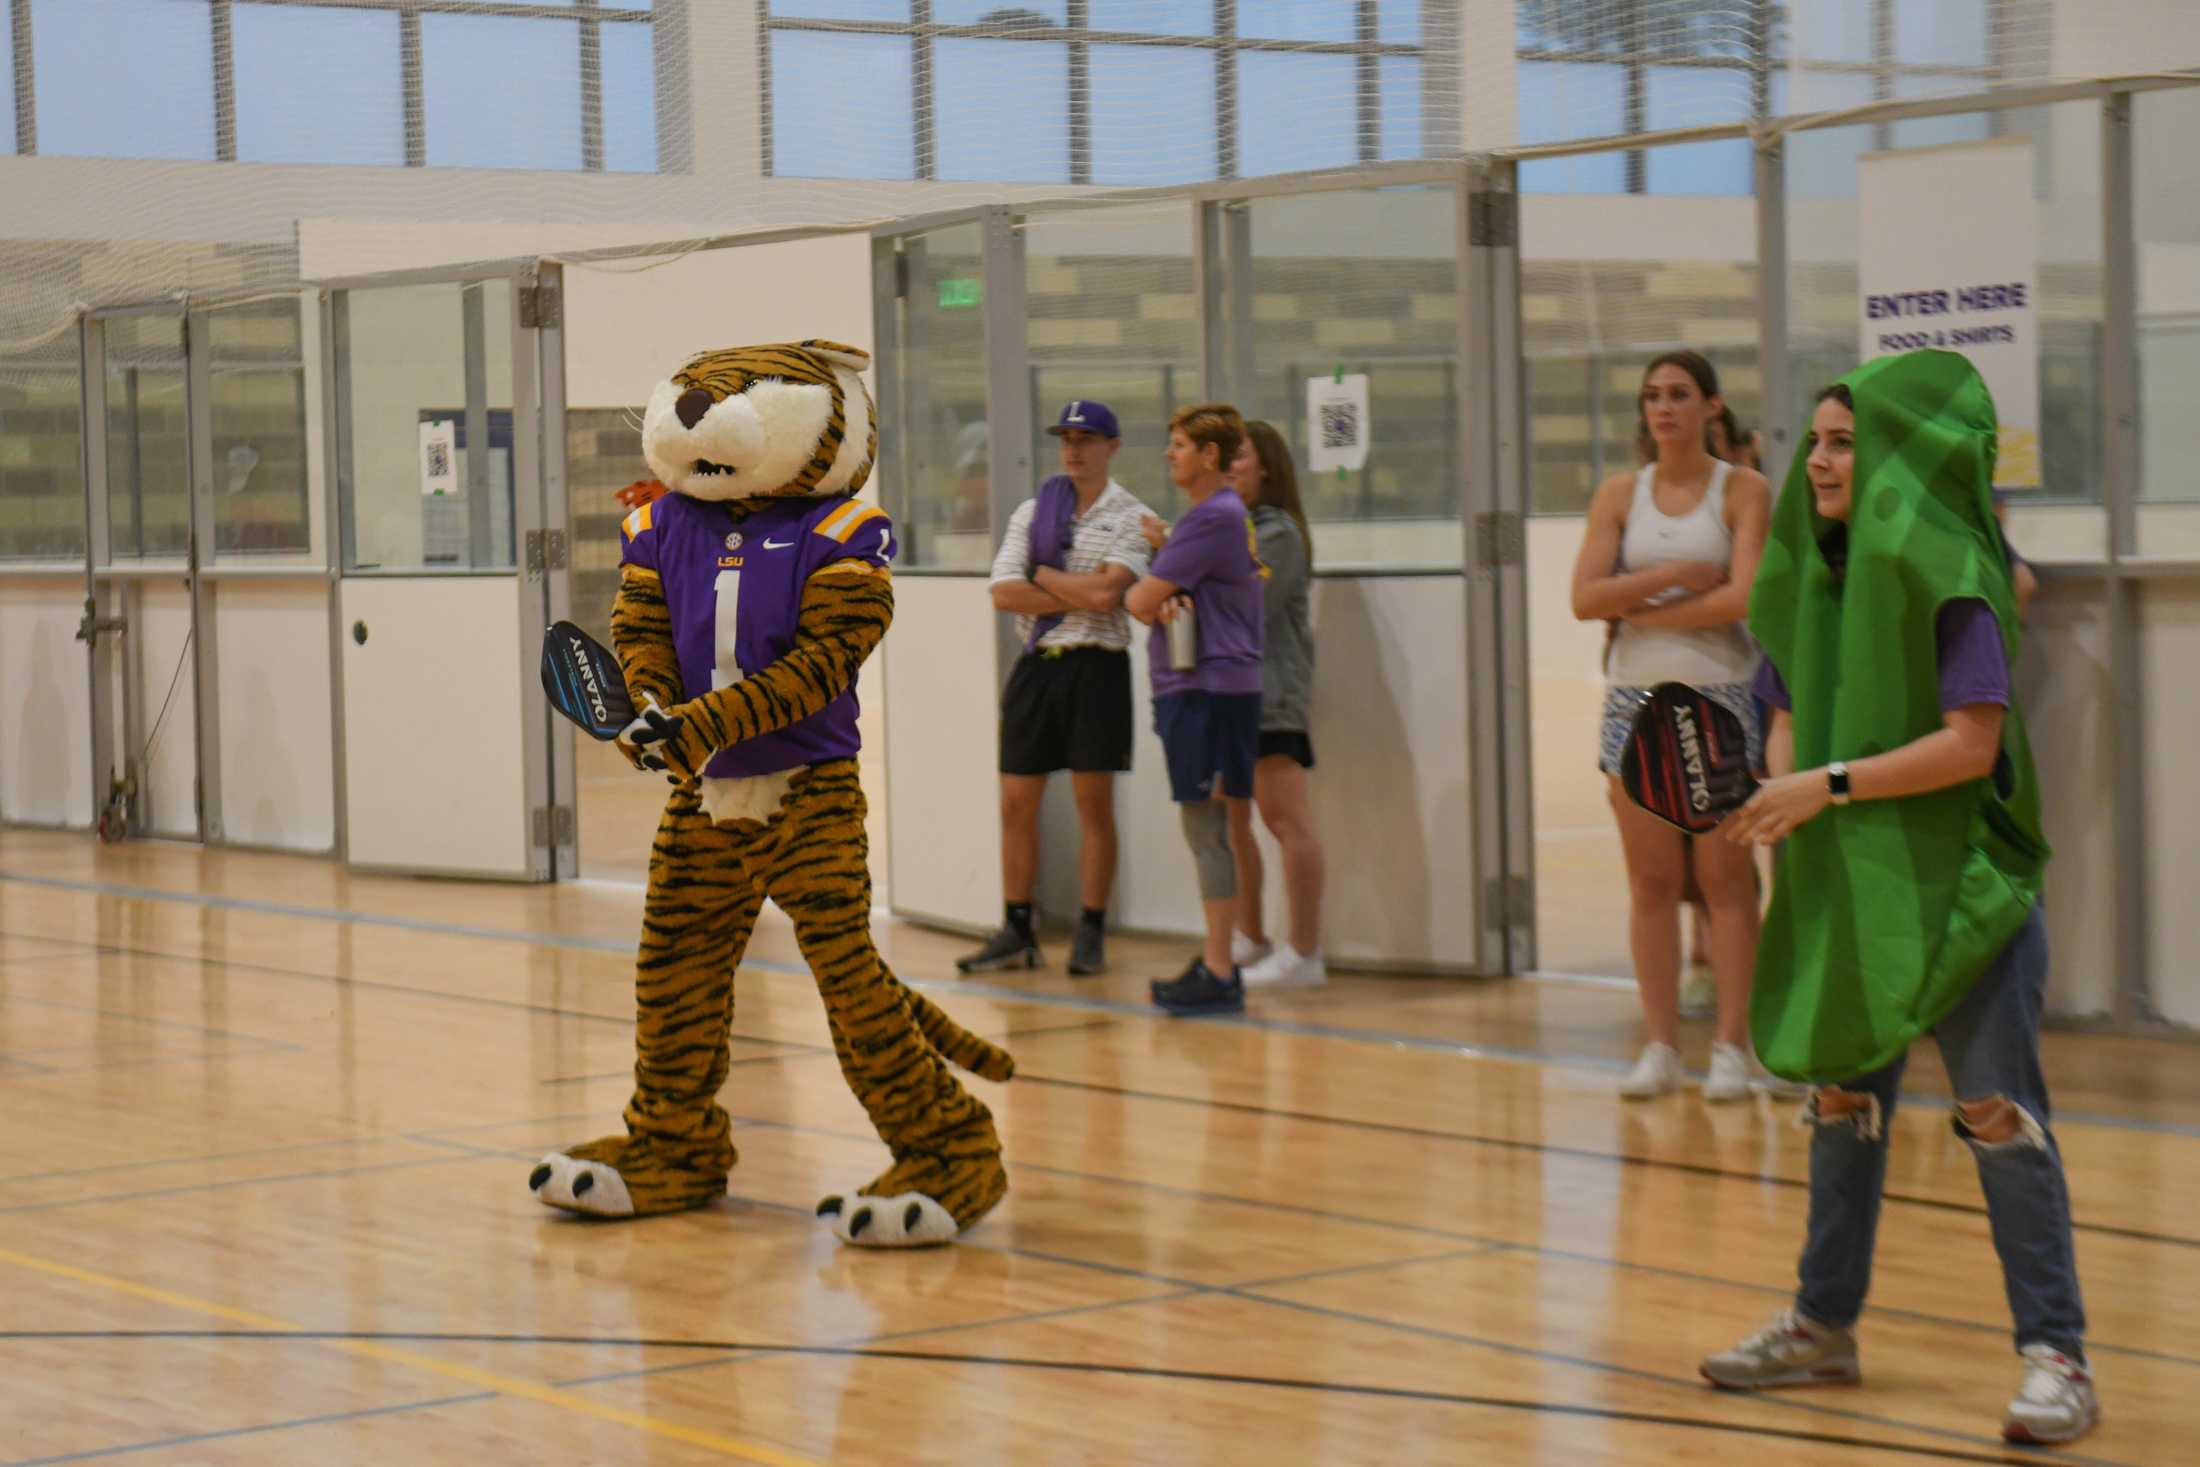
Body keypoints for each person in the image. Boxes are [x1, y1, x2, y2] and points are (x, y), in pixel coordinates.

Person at [1701, 356, 2095, 1447]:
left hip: (1961, 887)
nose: (1821, 461)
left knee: (1996, 1120)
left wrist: (1818, 788)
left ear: (1891, 461)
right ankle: (1822, 1327)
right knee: (1841, 1109)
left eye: (1844, 442)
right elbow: (1780, 709)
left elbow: (1969, 747)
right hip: (1846, 883)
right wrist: (1784, 797)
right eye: (1815, 442)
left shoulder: (1952, 572)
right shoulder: (1803, 577)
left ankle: (2057, 1357)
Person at [1571, 350, 1772, 1100]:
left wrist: (1640, 606)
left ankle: (1731, 1044)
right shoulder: (1621, 493)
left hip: (1719, 696)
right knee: (1651, 882)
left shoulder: (1744, 490)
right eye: (1653, 394)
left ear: (1712, 406)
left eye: (1680, 394)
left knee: (1725, 879)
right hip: (1634, 699)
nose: (1665, 407)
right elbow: (1585, 598)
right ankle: (1660, 1045)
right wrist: (1674, 578)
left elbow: (1744, 597)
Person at [958, 401, 1153, 977]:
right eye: (1066, 438)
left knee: (1094, 802)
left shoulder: (1131, 516)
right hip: (1038, 662)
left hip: (1097, 666)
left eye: (1087, 438)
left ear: (1111, 446)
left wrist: (1042, 576)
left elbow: (1106, 598)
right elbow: (1003, 594)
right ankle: (1018, 927)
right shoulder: (1034, 510)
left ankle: (1091, 927)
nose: (1074, 449)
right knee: (1017, 801)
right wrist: (1074, 586)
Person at [1125, 403, 1264, 1016]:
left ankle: (1219, 968)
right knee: (1210, 828)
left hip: (1205, 692)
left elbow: (1137, 600)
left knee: (1205, 830)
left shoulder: (1213, 519)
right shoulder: (1211, 522)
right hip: (1208, 691)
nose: (1169, 454)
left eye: (1179, 445)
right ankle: (1219, 959)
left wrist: (1153, 582)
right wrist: (1169, 549)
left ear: (1210, 456)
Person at [1222, 420, 1327, 988]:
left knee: (1287, 820)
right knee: (1234, 819)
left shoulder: (1278, 532)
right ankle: (1249, 935)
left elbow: (1243, 605)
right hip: (1226, 695)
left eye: (1240, 456)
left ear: (1267, 466)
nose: (1230, 466)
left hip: (1270, 695)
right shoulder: (1225, 529)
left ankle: (1305, 953)